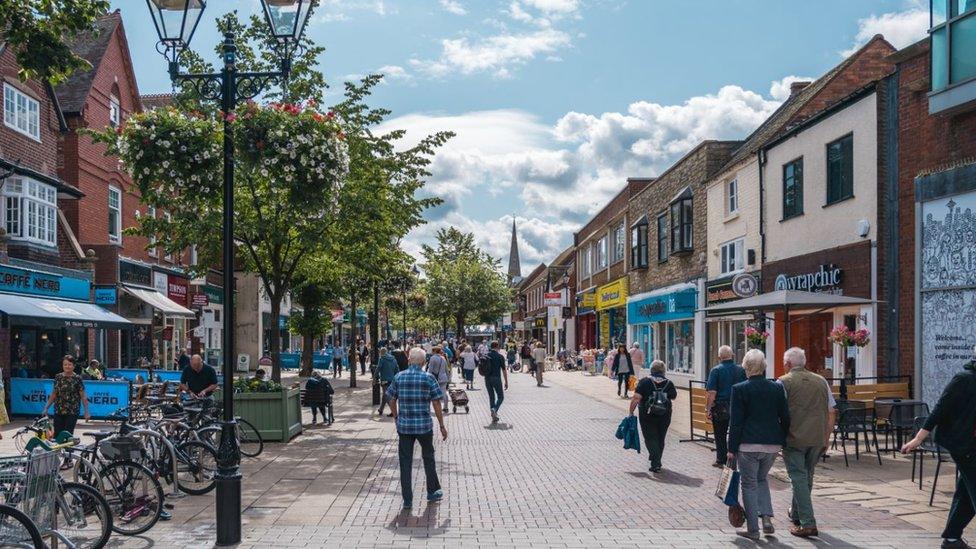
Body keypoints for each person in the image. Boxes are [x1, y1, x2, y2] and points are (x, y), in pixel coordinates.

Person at [901, 351, 976, 549]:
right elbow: (940, 409)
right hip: (964, 444)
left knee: (966, 493)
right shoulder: (964, 379)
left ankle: (952, 539)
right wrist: (918, 439)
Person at [727, 349, 790, 540]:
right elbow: (785, 417)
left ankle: (753, 529)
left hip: (747, 445)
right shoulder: (777, 388)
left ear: (746, 367)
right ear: (763, 367)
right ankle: (767, 519)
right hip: (771, 444)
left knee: (749, 484)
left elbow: (736, 422)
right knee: (762, 479)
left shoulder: (739, 389)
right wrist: (782, 440)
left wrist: (731, 448)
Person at [778, 347, 835, 539]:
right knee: (806, 477)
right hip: (817, 438)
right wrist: (826, 437)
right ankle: (796, 513)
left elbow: (778, 412)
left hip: (794, 438)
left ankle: (808, 523)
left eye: (784, 363)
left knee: (799, 478)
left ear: (788, 364)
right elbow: (832, 410)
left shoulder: (784, 382)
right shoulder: (821, 381)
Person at [386, 347, 448, 509]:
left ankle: (407, 499)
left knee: (405, 462)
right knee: (428, 457)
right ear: (423, 362)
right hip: (424, 426)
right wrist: (441, 425)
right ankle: (432, 490)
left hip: (404, 426)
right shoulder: (428, 378)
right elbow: (436, 402)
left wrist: (396, 416)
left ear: (409, 360)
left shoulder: (399, 377)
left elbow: (390, 398)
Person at [629, 360, 677, 472]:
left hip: (647, 415)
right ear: (663, 371)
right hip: (664, 414)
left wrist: (631, 411)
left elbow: (636, 398)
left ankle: (655, 462)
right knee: (661, 437)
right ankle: (656, 459)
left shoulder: (644, 382)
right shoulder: (669, 383)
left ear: (651, 370)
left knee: (650, 438)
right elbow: (673, 396)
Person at [705, 345, 746, 468]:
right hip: (738, 406)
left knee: (720, 434)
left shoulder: (716, 370)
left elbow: (712, 393)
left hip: (721, 407)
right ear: (732, 355)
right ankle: (737, 458)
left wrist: (708, 408)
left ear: (719, 357)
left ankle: (721, 459)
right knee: (736, 432)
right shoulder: (741, 370)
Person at [41, 355, 90, 435]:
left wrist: (86, 411)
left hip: (72, 411)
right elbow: (53, 394)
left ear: (73, 366)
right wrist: (46, 407)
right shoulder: (58, 377)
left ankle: (67, 447)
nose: (67, 366)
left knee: (67, 435)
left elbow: (83, 396)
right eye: (65, 365)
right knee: (57, 436)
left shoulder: (77, 379)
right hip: (59, 410)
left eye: (69, 364)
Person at [484, 341, 510, 423]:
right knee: (501, 397)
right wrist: (506, 381)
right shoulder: (500, 356)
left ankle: (493, 416)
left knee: (491, 397)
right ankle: (494, 409)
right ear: (497, 347)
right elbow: (504, 370)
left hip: (487, 378)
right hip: (496, 378)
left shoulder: (486, 355)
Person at [426, 346, 452, 413]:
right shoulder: (443, 358)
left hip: (435, 378)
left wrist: (427, 378)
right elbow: (447, 369)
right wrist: (448, 378)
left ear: (434, 351)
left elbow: (430, 370)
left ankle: (428, 408)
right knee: (444, 392)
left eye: (432, 351)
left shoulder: (432, 358)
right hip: (443, 378)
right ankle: (446, 407)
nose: (431, 352)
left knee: (430, 393)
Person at [377, 347, 399, 416]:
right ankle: (381, 409)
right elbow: (397, 369)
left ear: (381, 352)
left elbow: (378, 368)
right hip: (392, 380)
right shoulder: (394, 359)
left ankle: (393, 411)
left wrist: (375, 377)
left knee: (386, 395)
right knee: (385, 395)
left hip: (384, 380)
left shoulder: (382, 359)